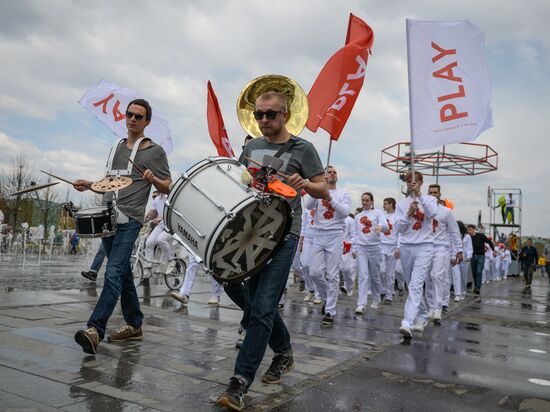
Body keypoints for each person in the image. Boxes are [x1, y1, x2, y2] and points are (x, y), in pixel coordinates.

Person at [217, 91, 327, 411]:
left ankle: (239, 382)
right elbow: (236, 181)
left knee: (263, 306)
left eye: (271, 115)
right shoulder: (251, 146)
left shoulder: (303, 149)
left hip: (283, 234)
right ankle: (283, 350)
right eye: (260, 115)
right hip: (249, 233)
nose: (264, 120)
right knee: (236, 288)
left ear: (285, 114)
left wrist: (305, 185)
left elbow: (322, 189)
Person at [73, 98, 172, 354]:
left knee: (113, 273)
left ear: (147, 122)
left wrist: (155, 180)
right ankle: (135, 324)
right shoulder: (117, 146)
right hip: (107, 218)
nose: (132, 119)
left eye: (139, 116)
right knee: (124, 273)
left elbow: (168, 185)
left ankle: (95, 329)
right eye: (129, 114)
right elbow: (110, 181)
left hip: (130, 220)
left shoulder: (154, 151)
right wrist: (90, 184)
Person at [305, 166, 351, 326]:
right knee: (314, 272)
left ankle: (330, 311)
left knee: (332, 275)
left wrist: (329, 198)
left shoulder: (343, 193)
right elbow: (308, 206)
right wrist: (317, 190)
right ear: (324, 176)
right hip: (318, 234)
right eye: (329, 172)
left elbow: (345, 212)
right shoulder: (317, 192)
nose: (332, 173)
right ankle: (328, 298)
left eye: (334, 172)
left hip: (335, 235)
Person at [395, 171, 438, 338]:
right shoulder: (402, 204)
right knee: (410, 283)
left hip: (424, 246)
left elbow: (432, 214)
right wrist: (408, 214)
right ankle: (422, 314)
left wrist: (420, 196)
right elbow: (399, 228)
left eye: (415, 181)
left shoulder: (430, 200)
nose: (411, 183)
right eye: (408, 181)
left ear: (421, 182)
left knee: (416, 284)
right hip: (407, 246)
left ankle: (407, 322)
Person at [425, 184, 462, 323]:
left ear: (439, 194)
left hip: (441, 248)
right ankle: (430, 306)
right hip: (426, 247)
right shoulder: (423, 211)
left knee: (437, 275)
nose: (433, 194)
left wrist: (459, 250)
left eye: (435, 192)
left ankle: (438, 308)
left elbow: (454, 232)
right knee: (427, 278)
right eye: (431, 192)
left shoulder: (446, 211)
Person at [352, 192, 388, 314]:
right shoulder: (358, 217)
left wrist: (380, 227)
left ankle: (377, 297)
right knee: (363, 275)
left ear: (372, 201)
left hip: (375, 248)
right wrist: (354, 248)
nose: (364, 202)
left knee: (374, 276)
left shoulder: (378, 213)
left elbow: (386, 226)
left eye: (367, 200)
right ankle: (361, 304)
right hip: (362, 248)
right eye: (363, 200)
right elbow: (355, 234)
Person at [142, 191, 174, 286]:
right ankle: (148, 268)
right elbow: (151, 214)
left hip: (170, 225)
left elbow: (173, 211)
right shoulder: (157, 199)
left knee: (160, 239)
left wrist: (162, 218)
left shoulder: (170, 197)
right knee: (149, 243)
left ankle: (171, 261)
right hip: (160, 226)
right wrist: (143, 219)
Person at [380, 197, 401, 303]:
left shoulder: (397, 217)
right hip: (381, 245)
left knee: (390, 273)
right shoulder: (382, 215)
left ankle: (389, 295)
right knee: (381, 271)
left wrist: (398, 247)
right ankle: (383, 290)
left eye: (385, 203)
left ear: (391, 204)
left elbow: (400, 233)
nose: (383, 205)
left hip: (392, 246)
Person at [467, 225, 494, 295]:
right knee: (474, 272)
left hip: (481, 256)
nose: (469, 231)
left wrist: (494, 250)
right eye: (468, 230)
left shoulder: (480, 236)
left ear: (474, 230)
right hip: (472, 257)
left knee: (479, 271)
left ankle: (478, 288)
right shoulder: (467, 238)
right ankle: (476, 286)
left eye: (470, 229)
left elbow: (489, 241)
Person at [452, 220, 472, 301]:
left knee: (463, 277)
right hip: (456, 259)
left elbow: (470, 248)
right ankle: (457, 293)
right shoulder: (453, 235)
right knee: (456, 276)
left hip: (464, 259)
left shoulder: (467, 237)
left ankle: (463, 291)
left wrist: (468, 257)